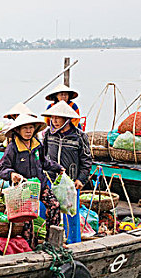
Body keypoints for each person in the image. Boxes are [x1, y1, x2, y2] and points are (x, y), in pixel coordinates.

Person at [0, 115, 63, 248]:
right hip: (23, 189)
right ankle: (29, 248)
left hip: (40, 184)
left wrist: (58, 167)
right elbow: (1, 169)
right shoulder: (13, 148)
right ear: (18, 130)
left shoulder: (38, 145)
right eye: (25, 128)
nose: (28, 131)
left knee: (54, 205)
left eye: (31, 127)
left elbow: (44, 162)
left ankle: (52, 242)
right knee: (27, 220)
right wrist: (12, 174)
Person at [43, 101, 93, 244]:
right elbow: (43, 155)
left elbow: (87, 160)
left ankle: (73, 243)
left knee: (71, 215)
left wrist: (81, 179)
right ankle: (49, 241)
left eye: (58, 118)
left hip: (71, 182)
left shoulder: (79, 136)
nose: (55, 121)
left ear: (67, 119)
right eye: (53, 117)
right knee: (48, 212)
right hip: (50, 179)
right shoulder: (48, 134)